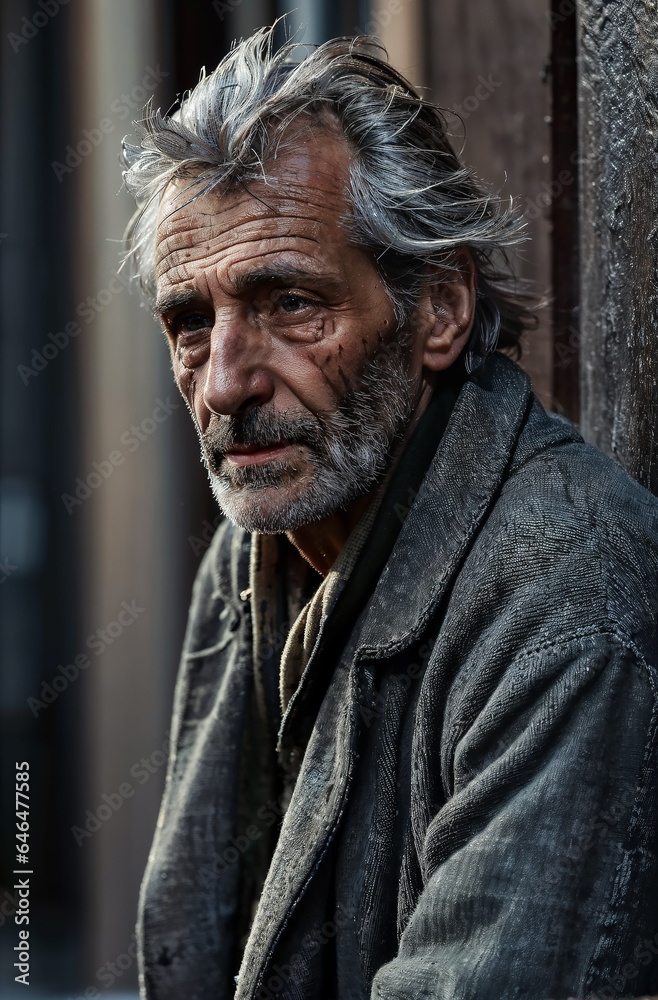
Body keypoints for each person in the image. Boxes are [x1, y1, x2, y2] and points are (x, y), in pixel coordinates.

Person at [121, 26, 658, 1000]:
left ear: (440, 309)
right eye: (190, 324)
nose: (225, 383)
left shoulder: (569, 598)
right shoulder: (265, 549)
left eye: (289, 302)